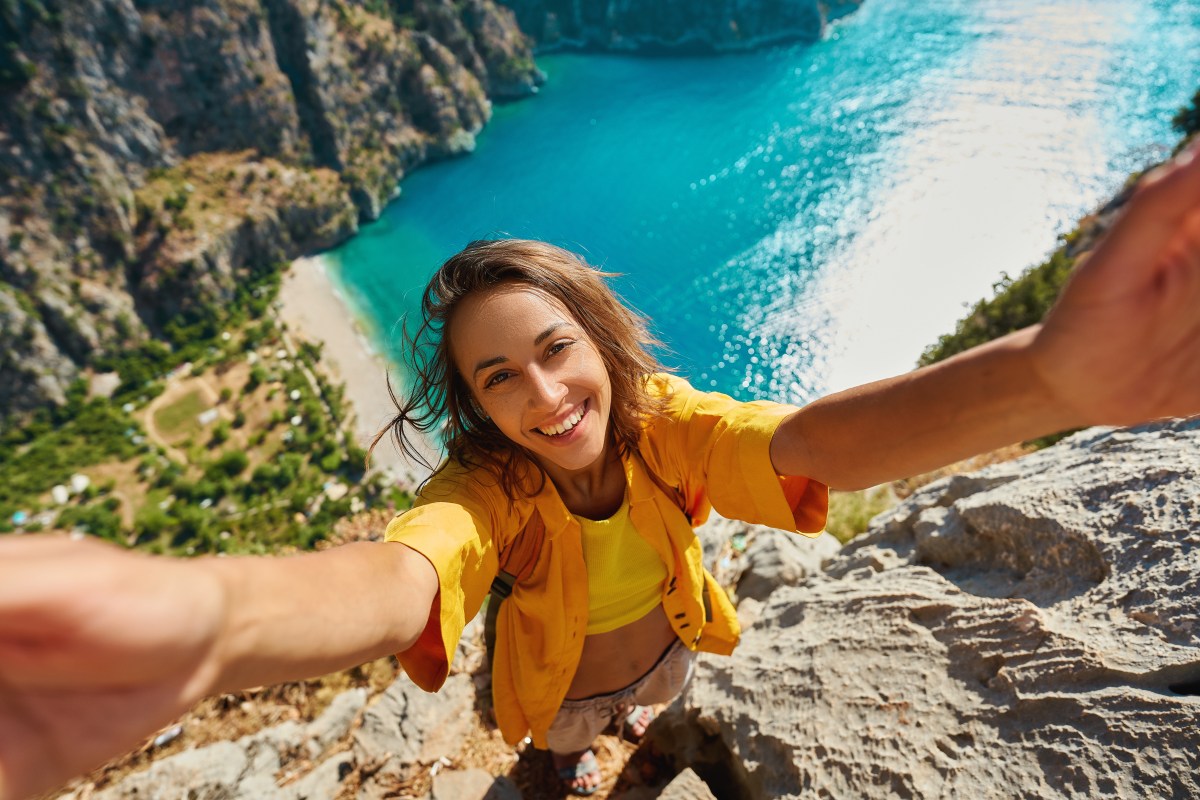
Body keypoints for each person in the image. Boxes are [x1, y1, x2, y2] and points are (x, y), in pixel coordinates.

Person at [2, 140, 1199, 800]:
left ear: (602, 344)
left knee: (654, 704)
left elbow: (801, 447)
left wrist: (1050, 380)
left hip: (673, 641)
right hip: (557, 683)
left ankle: (617, 738)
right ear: (470, 406)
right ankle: (561, 769)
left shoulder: (663, 428)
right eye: (495, 379)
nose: (541, 395)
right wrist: (212, 622)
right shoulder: (493, 494)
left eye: (553, 350)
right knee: (562, 756)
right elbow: (405, 575)